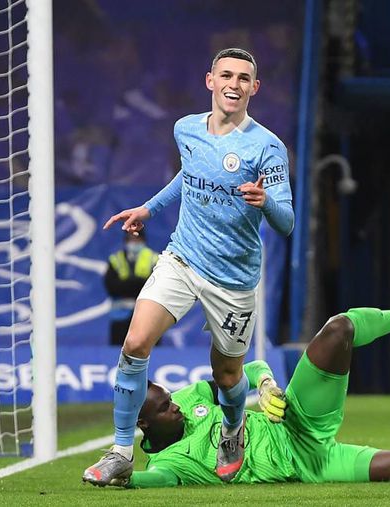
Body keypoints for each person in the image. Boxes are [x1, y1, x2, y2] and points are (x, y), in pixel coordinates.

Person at [84, 47, 294, 485]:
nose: (233, 85)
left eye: (243, 78)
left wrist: (266, 201)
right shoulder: (186, 130)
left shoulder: (267, 148)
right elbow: (190, 175)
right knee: (136, 343)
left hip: (233, 278)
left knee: (228, 374)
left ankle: (233, 430)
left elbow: (288, 222)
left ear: (254, 88)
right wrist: (149, 208)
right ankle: (122, 449)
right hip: (183, 257)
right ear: (210, 81)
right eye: (226, 76)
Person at [83, 291, 390, 488]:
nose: (177, 407)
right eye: (166, 409)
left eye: (169, 398)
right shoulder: (170, 465)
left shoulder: (190, 399)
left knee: (339, 328)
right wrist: (115, 478)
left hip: (297, 419)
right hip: (312, 465)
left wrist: (264, 385)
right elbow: (144, 481)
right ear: (141, 425)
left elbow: (242, 369)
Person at [104, 230, 159, 345]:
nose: (134, 243)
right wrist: (139, 283)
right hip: (121, 317)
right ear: (126, 241)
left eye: (137, 240)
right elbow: (111, 287)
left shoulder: (155, 259)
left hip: (148, 317)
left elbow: (158, 286)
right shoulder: (116, 259)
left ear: (143, 240)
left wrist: (127, 283)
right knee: (118, 354)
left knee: (149, 353)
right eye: (131, 239)